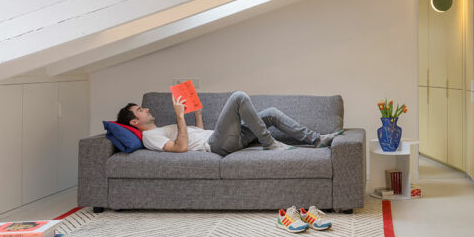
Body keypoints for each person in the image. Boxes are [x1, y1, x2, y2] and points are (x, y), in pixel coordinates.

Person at [117, 91, 343, 156]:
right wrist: (178, 116)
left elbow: (197, 133)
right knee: (238, 97)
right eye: (140, 109)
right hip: (218, 145)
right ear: (135, 121)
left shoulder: (160, 129)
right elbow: (181, 147)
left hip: (222, 136)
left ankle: (317, 140)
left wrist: (196, 113)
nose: (146, 109)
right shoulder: (150, 137)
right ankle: (270, 143)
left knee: (271, 113)